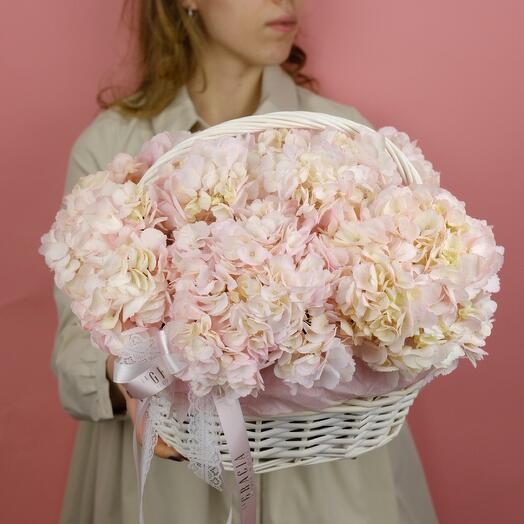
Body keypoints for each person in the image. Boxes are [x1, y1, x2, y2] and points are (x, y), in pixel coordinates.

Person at [51, 1, 440, 523]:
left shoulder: (343, 135)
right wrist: (152, 373)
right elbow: (77, 356)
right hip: (172, 482)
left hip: (322, 477)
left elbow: (393, 316)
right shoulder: (112, 146)